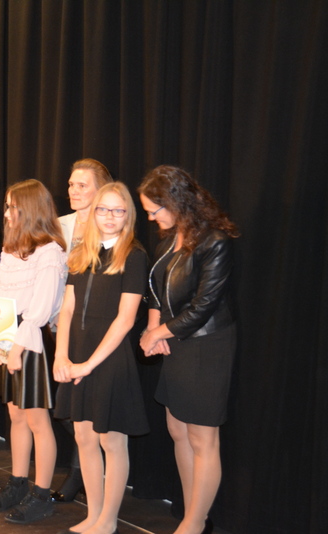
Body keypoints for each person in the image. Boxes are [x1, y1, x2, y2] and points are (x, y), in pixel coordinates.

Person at [138, 165, 238, 534]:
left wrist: (158, 333)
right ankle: (190, 509)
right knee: (177, 428)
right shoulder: (167, 240)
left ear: (176, 202)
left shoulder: (215, 241)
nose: (151, 218)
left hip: (206, 346)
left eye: (154, 210)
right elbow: (154, 290)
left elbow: (204, 305)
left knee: (202, 437)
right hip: (175, 342)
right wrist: (153, 329)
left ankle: (196, 522)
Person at [53, 182, 149, 534]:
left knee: (111, 440)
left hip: (108, 358)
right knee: (83, 437)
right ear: (93, 212)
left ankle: (108, 520)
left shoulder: (134, 256)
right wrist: (61, 355)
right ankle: (93, 514)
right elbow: (67, 310)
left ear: (128, 216)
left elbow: (126, 319)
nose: (110, 217)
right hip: (77, 354)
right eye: (103, 209)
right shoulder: (82, 253)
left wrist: (88, 365)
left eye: (118, 210)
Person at [0, 179, 67, 524]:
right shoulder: (10, 249)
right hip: (7, 331)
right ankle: (18, 483)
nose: (7, 213)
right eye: (6, 206)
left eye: (12, 207)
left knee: (36, 419)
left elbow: (41, 309)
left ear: (30, 209)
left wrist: (17, 348)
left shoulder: (50, 252)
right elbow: (0, 298)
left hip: (31, 340)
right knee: (15, 415)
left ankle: (41, 494)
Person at [53, 158, 114, 503]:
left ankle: (81, 475)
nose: (73, 191)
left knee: (86, 410)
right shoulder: (59, 224)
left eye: (81, 185)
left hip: (92, 330)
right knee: (65, 409)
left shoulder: (110, 228)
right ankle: (83, 470)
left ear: (100, 190)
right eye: (71, 184)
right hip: (58, 326)